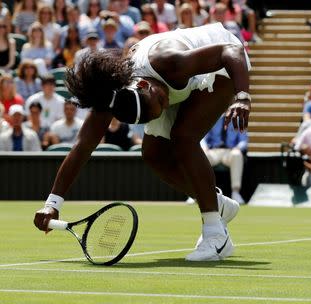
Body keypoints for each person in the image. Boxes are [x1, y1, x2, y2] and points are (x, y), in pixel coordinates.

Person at [33, 23, 251, 262]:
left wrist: (242, 98)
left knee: (183, 137)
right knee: (153, 154)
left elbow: (231, 50)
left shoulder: (170, 61)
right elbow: (83, 146)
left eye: (159, 103)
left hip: (223, 61)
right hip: (174, 79)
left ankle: (215, 234)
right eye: (156, 113)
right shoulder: (112, 96)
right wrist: (51, 204)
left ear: (145, 86)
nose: (166, 107)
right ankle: (217, 203)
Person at [201, 114, 248, 204]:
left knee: (237, 155)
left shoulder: (238, 120)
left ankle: (235, 192)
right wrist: (204, 147)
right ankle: (197, 194)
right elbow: (203, 137)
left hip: (230, 152)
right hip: (213, 151)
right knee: (200, 156)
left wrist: (238, 147)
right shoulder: (211, 118)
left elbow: (244, 141)